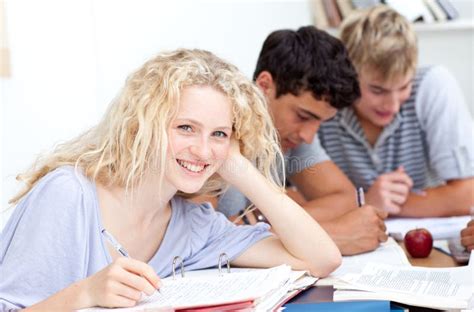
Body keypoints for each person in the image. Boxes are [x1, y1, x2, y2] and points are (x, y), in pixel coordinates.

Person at [0, 49, 341, 310]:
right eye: (185, 128)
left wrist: (236, 164)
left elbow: (321, 259)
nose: (203, 150)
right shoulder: (68, 195)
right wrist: (86, 292)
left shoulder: (192, 226)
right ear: (141, 125)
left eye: (219, 133)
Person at [216, 26, 388, 256]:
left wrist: (258, 221)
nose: (309, 135)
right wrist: (332, 235)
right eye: (303, 116)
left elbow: (345, 199)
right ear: (265, 86)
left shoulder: (290, 135)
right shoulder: (214, 129)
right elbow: (204, 238)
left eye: (320, 122)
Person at [318, 5, 474, 217]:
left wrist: (379, 204)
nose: (392, 105)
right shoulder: (325, 104)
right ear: (347, 75)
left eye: (403, 87)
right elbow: (301, 198)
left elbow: (468, 194)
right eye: (377, 90)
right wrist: (367, 202)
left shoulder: (432, 85)